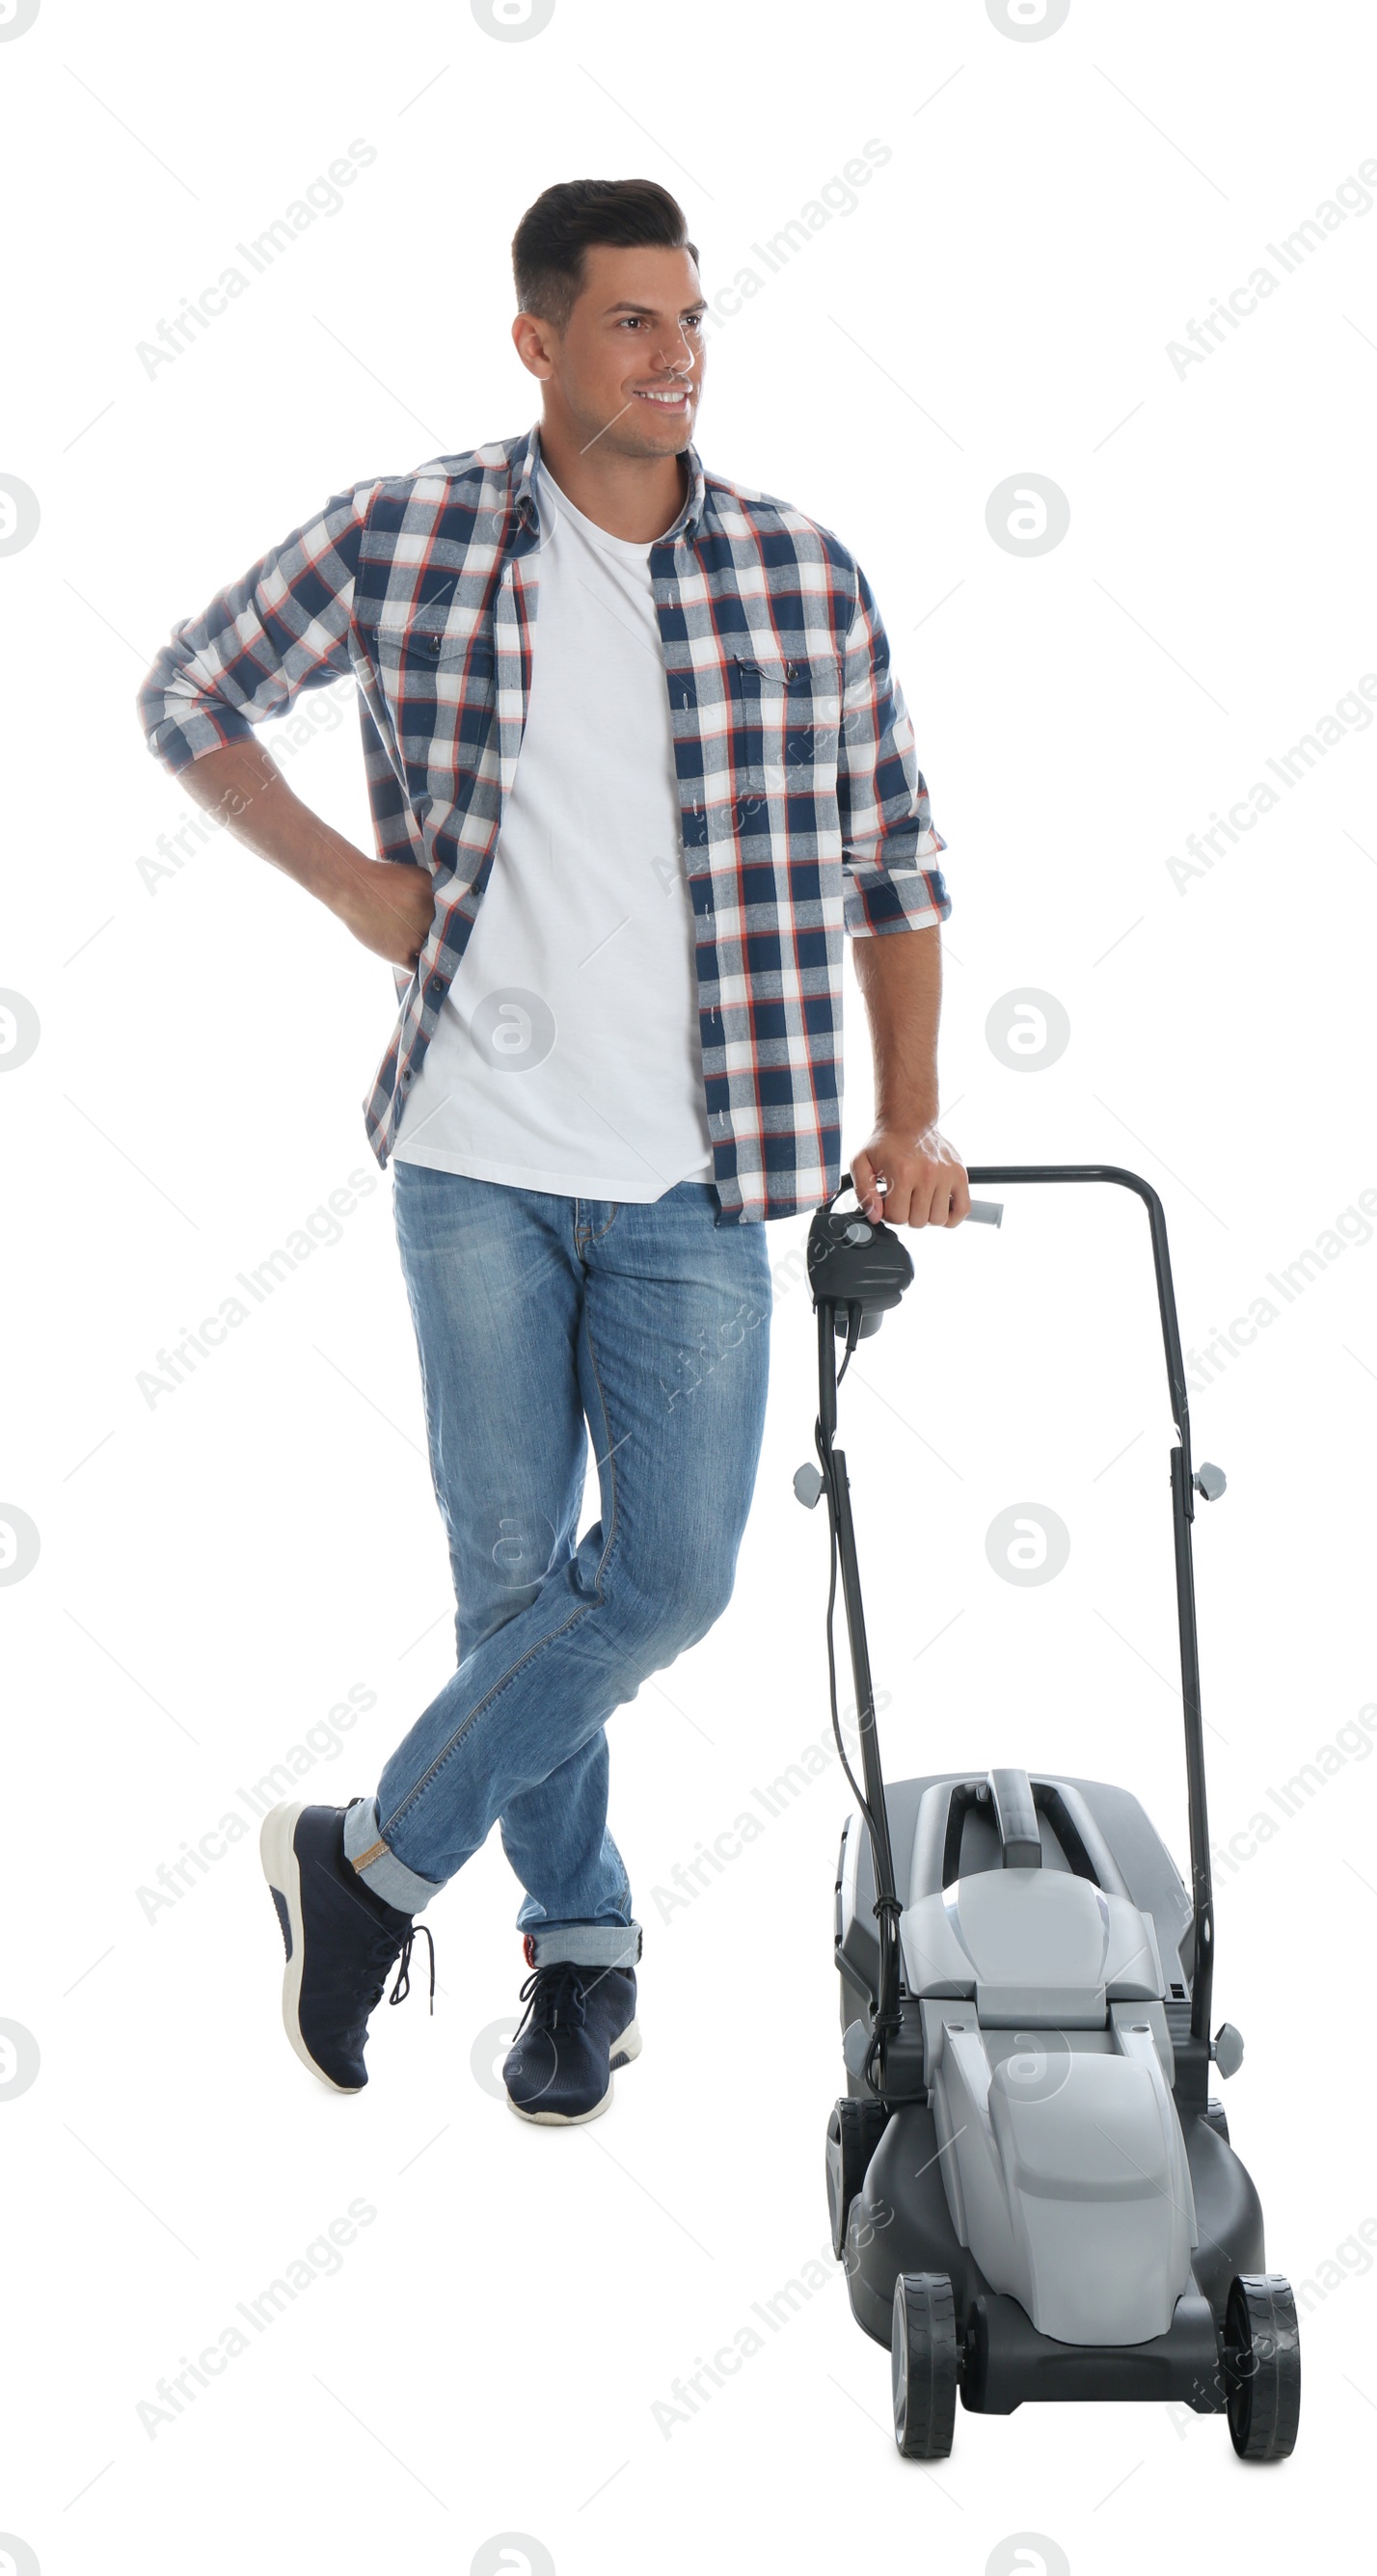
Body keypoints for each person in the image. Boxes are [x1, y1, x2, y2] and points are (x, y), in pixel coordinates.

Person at [137, 175, 966, 2127]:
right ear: (536, 342)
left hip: (699, 1178)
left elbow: (895, 859)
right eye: (630, 322)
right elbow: (187, 691)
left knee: (664, 1582)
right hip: (473, 1163)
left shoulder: (796, 574)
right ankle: (576, 1956)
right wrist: (352, 888)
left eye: (690, 319)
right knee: (512, 1585)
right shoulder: (413, 533)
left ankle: (364, 1864)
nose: (676, 354)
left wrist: (910, 1115)